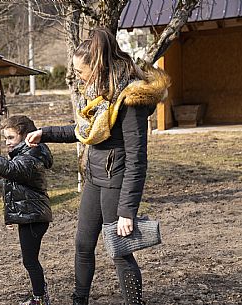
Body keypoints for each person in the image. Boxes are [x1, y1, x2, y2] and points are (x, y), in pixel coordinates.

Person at [25, 28, 170, 305]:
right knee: (82, 245)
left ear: (98, 66)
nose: (78, 77)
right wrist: (46, 132)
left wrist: (128, 211)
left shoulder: (129, 99)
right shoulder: (99, 94)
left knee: (119, 251)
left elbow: (138, 159)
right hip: (94, 178)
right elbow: (84, 131)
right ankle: (80, 300)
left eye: (81, 71)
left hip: (116, 182)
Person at [0, 115, 53, 305]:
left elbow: (9, 169)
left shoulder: (31, 156)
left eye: (11, 138)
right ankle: (40, 296)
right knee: (30, 260)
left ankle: (40, 298)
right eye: (5, 138)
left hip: (33, 217)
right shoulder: (27, 153)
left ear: (25, 136)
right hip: (30, 215)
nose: (7, 142)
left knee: (30, 261)